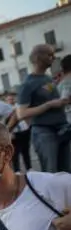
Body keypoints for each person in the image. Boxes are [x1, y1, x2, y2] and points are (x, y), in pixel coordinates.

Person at [17, 44, 71, 173]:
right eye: (49, 54)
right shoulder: (27, 84)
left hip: (62, 129)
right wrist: (49, 105)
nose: (53, 57)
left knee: (67, 173)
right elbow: (21, 113)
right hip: (44, 132)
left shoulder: (48, 78)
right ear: (37, 57)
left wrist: (64, 101)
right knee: (51, 172)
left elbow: (51, 100)